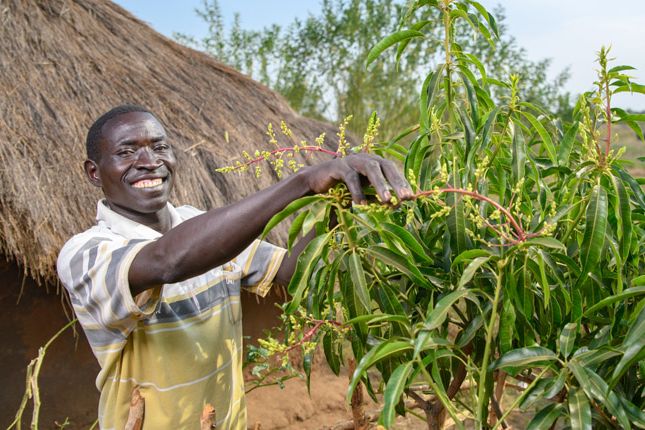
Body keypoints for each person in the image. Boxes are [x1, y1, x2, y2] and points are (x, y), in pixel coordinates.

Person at [57, 104, 412, 429]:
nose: (150, 161)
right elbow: (168, 261)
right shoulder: (84, 253)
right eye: (126, 151)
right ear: (93, 172)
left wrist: (339, 206)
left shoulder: (203, 227)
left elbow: (292, 271)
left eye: (160, 147)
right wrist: (304, 182)